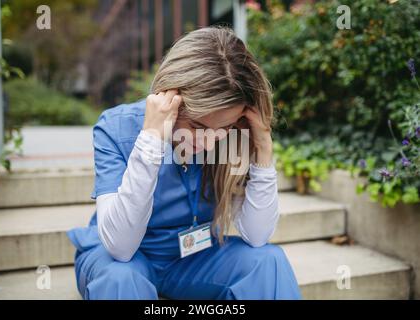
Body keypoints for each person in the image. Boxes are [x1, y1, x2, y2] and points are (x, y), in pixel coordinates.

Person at [67, 26, 302, 300]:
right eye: (196, 125)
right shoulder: (115, 128)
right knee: (121, 278)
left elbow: (257, 237)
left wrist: (262, 147)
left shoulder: (233, 136)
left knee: (268, 261)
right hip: (124, 259)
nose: (208, 142)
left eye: (222, 128)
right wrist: (152, 141)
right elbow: (120, 248)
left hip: (194, 258)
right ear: (168, 95)